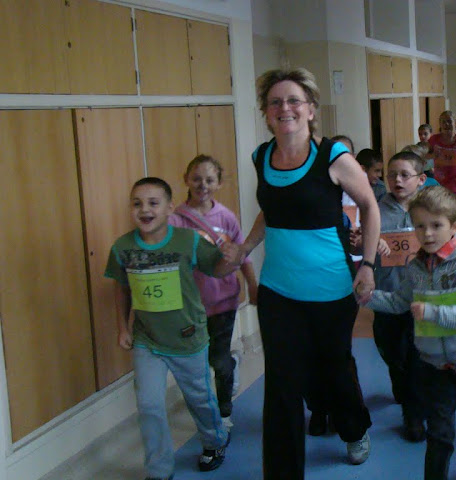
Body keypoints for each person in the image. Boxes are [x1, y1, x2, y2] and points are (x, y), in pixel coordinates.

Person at [225, 68, 379, 478]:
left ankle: (353, 428)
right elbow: (271, 212)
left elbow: (369, 205)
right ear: (266, 112)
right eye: (275, 102)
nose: (285, 108)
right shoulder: (261, 157)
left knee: (334, 369)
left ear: (310, 109)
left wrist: (367, 265)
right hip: (278, 292)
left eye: (294, 100)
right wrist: (245, 248)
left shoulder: (333, 156)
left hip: (331, 290)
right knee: (282, 385)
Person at [365, 186, 456, 479]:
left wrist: (433, 313)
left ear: (455, 226)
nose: (427, 234)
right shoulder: (415, 267)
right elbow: (399, 301)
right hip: (433, 366)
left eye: (436, 225)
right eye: (420, 226)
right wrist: (366, 297)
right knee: (439, 434)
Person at [105, 177, 235, 480]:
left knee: (199, 398)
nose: (145, 210)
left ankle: (215, 441)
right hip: (147, 341)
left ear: (168, 208)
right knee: (149, 405)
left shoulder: (188, 240)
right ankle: (159, 470)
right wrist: (123, 328)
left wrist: (231, 257)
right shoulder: (122, 247)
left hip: (187, 338)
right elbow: (121, 288)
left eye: (153, 203)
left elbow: (217, 268)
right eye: (137, 203)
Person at [169, 154, 258, 432]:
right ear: (186, 180)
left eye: (209, 180)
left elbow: (242, 254)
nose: (203, 185)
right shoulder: (175, 221)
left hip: (223, 302)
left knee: (218, 361)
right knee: (202, 362)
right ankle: (232, 363)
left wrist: (252, 285)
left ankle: (224, 412)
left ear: (218, 183)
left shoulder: (226, 217)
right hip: (190, 306)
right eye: (197, 179)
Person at [372, 150, 428, 442]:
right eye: (392, 174)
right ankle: (398, 376)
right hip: (387, 295)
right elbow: (357, 248)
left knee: (417, 358)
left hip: (422, 298)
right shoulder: (374, 210)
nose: (397, 180)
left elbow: (452, 243)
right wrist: (370, 243)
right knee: (392, 352)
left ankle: (414, 416)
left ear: (421, 179)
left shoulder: (431, 209)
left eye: (405, 175)